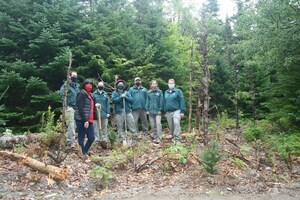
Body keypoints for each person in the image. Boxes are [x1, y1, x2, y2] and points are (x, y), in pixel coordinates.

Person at [112, 79, 137, 145]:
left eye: (122, 84)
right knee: (120, 125)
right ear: (117, 85)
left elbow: (131, 100)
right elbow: (114, 100)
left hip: (127, 110)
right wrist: (120, 97)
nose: (121, 85)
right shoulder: (115, 93)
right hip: (119, 111)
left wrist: (125, 97)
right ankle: (121, 139)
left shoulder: (127, 92)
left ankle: (134, 136)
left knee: (131, 123)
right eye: (119, 84)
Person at [74, 79, 95, 155]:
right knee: (81, 136)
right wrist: (85, 120)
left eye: (91, 84)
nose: (89, 86)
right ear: (84, 85)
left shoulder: (91, 95)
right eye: (88, 84)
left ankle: (84, 152)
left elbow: (91, 108)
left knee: (92, 137)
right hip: (81, 119)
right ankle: (82, 153)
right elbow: (80, 107)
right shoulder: (81, 93)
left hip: (90, 119)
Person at [59, 71, 79, 147]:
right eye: (74, 76)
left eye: (76, 76)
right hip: (69, 108)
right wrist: (66, 106)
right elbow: (62, 95)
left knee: (74, 126)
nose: (75, 77)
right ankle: (71, 142)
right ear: (70, 76)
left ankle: (70, 140)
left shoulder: (77, 86)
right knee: (70, 125)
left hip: (76, 108)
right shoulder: (66, 86)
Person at [164, 79, 186, 145]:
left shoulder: (178, 91)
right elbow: (164, 102)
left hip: (176, 110)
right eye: (169, 83)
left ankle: (178, 139)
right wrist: (164, 110)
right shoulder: (166, 92)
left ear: (174, 84)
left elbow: (182, 101)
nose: (171, 84)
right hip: (168, 112)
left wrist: (182, 111)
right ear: (168, 84)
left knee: (176, 123)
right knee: (171, 126)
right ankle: (173, 138)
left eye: (172, 83)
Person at [92, 81, 110, 149]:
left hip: (104, 114)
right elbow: (92, 104)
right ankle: (96, 140)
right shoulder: (94, 94)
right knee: (95, 128)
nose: (101, 86)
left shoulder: (105, 94)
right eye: (99, 85)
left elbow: (107, 104)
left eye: (102, 85)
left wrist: (108, 112)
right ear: (97, 86)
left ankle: (104, 139)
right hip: (96, 114)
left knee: (104, 127)